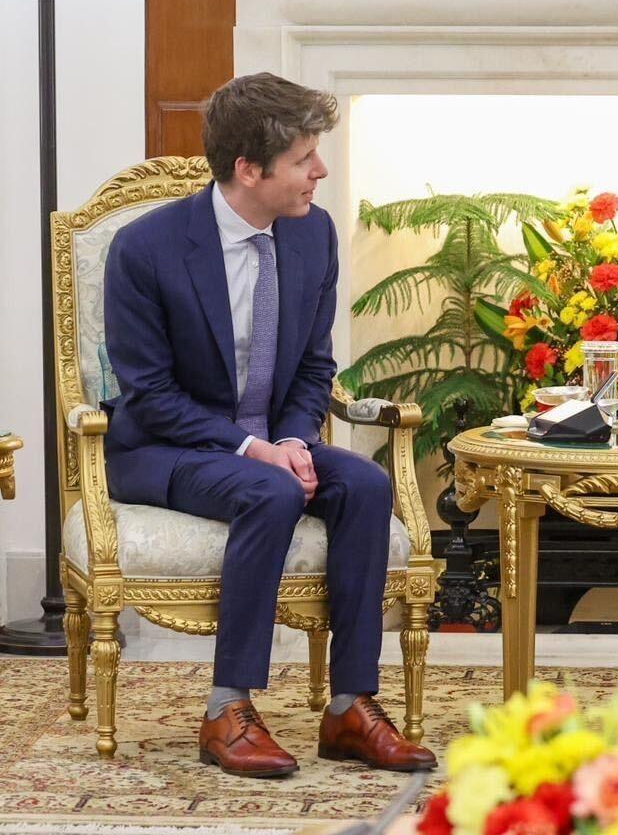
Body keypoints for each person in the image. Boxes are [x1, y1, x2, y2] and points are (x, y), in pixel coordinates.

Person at [102, 73, 436, 778]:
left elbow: (315, 366)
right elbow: (150, 396)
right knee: (272, 489)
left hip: (269, 439)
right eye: (303, 158)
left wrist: (288, 439)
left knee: (365, 485)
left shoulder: (313, 233)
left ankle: (349, 706)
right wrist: (253, 449)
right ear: (249, 170)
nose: (320, 171)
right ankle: (227, 708)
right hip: (166, 447)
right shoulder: (144, 249)